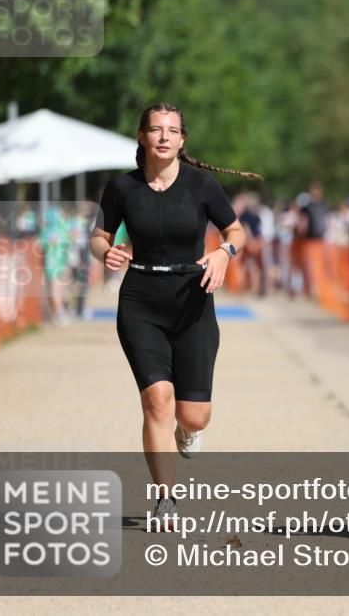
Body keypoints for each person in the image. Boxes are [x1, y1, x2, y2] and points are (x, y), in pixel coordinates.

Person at [90, 102, 258, 527]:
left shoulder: (202, 186)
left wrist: (223, 253)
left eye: (172, 130)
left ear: (183, 140)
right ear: (142, 137)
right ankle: (166, 500)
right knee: (156, 399)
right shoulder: (121, 188)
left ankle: (189, 431)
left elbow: (235, 231)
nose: (163, 136)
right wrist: (105, 252)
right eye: (155, 129)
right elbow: (98, 236)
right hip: (140, 302)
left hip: (193, 299)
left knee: (192, 414)